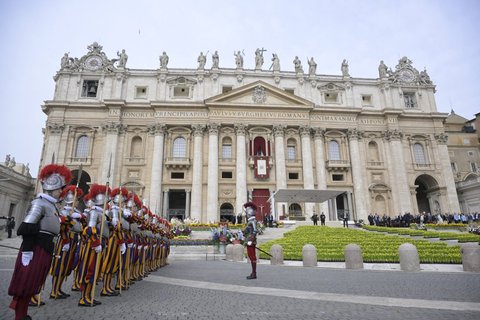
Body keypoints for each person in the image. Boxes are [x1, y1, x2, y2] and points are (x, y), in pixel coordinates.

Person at [8, 164, 72, 320]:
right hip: (35, 248)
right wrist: (28, 250)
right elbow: (26, 227)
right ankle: (20, 315)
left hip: (45, 247)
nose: (61, 192)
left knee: (34, 282)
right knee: (26, 283)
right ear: (52, 188)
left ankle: (23, 315)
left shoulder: (51, 205)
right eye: (59, 189)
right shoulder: (40, 203)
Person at [243, 202, 258, 279]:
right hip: (249, 241)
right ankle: (253, 272)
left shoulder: (253, 221)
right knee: (250, 256)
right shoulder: (250, 221)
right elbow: (247, 231)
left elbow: (255, 231)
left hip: (251, 242)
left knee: (252, 257)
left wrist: (251, 240)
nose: (245, 215)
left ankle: (254, 273)